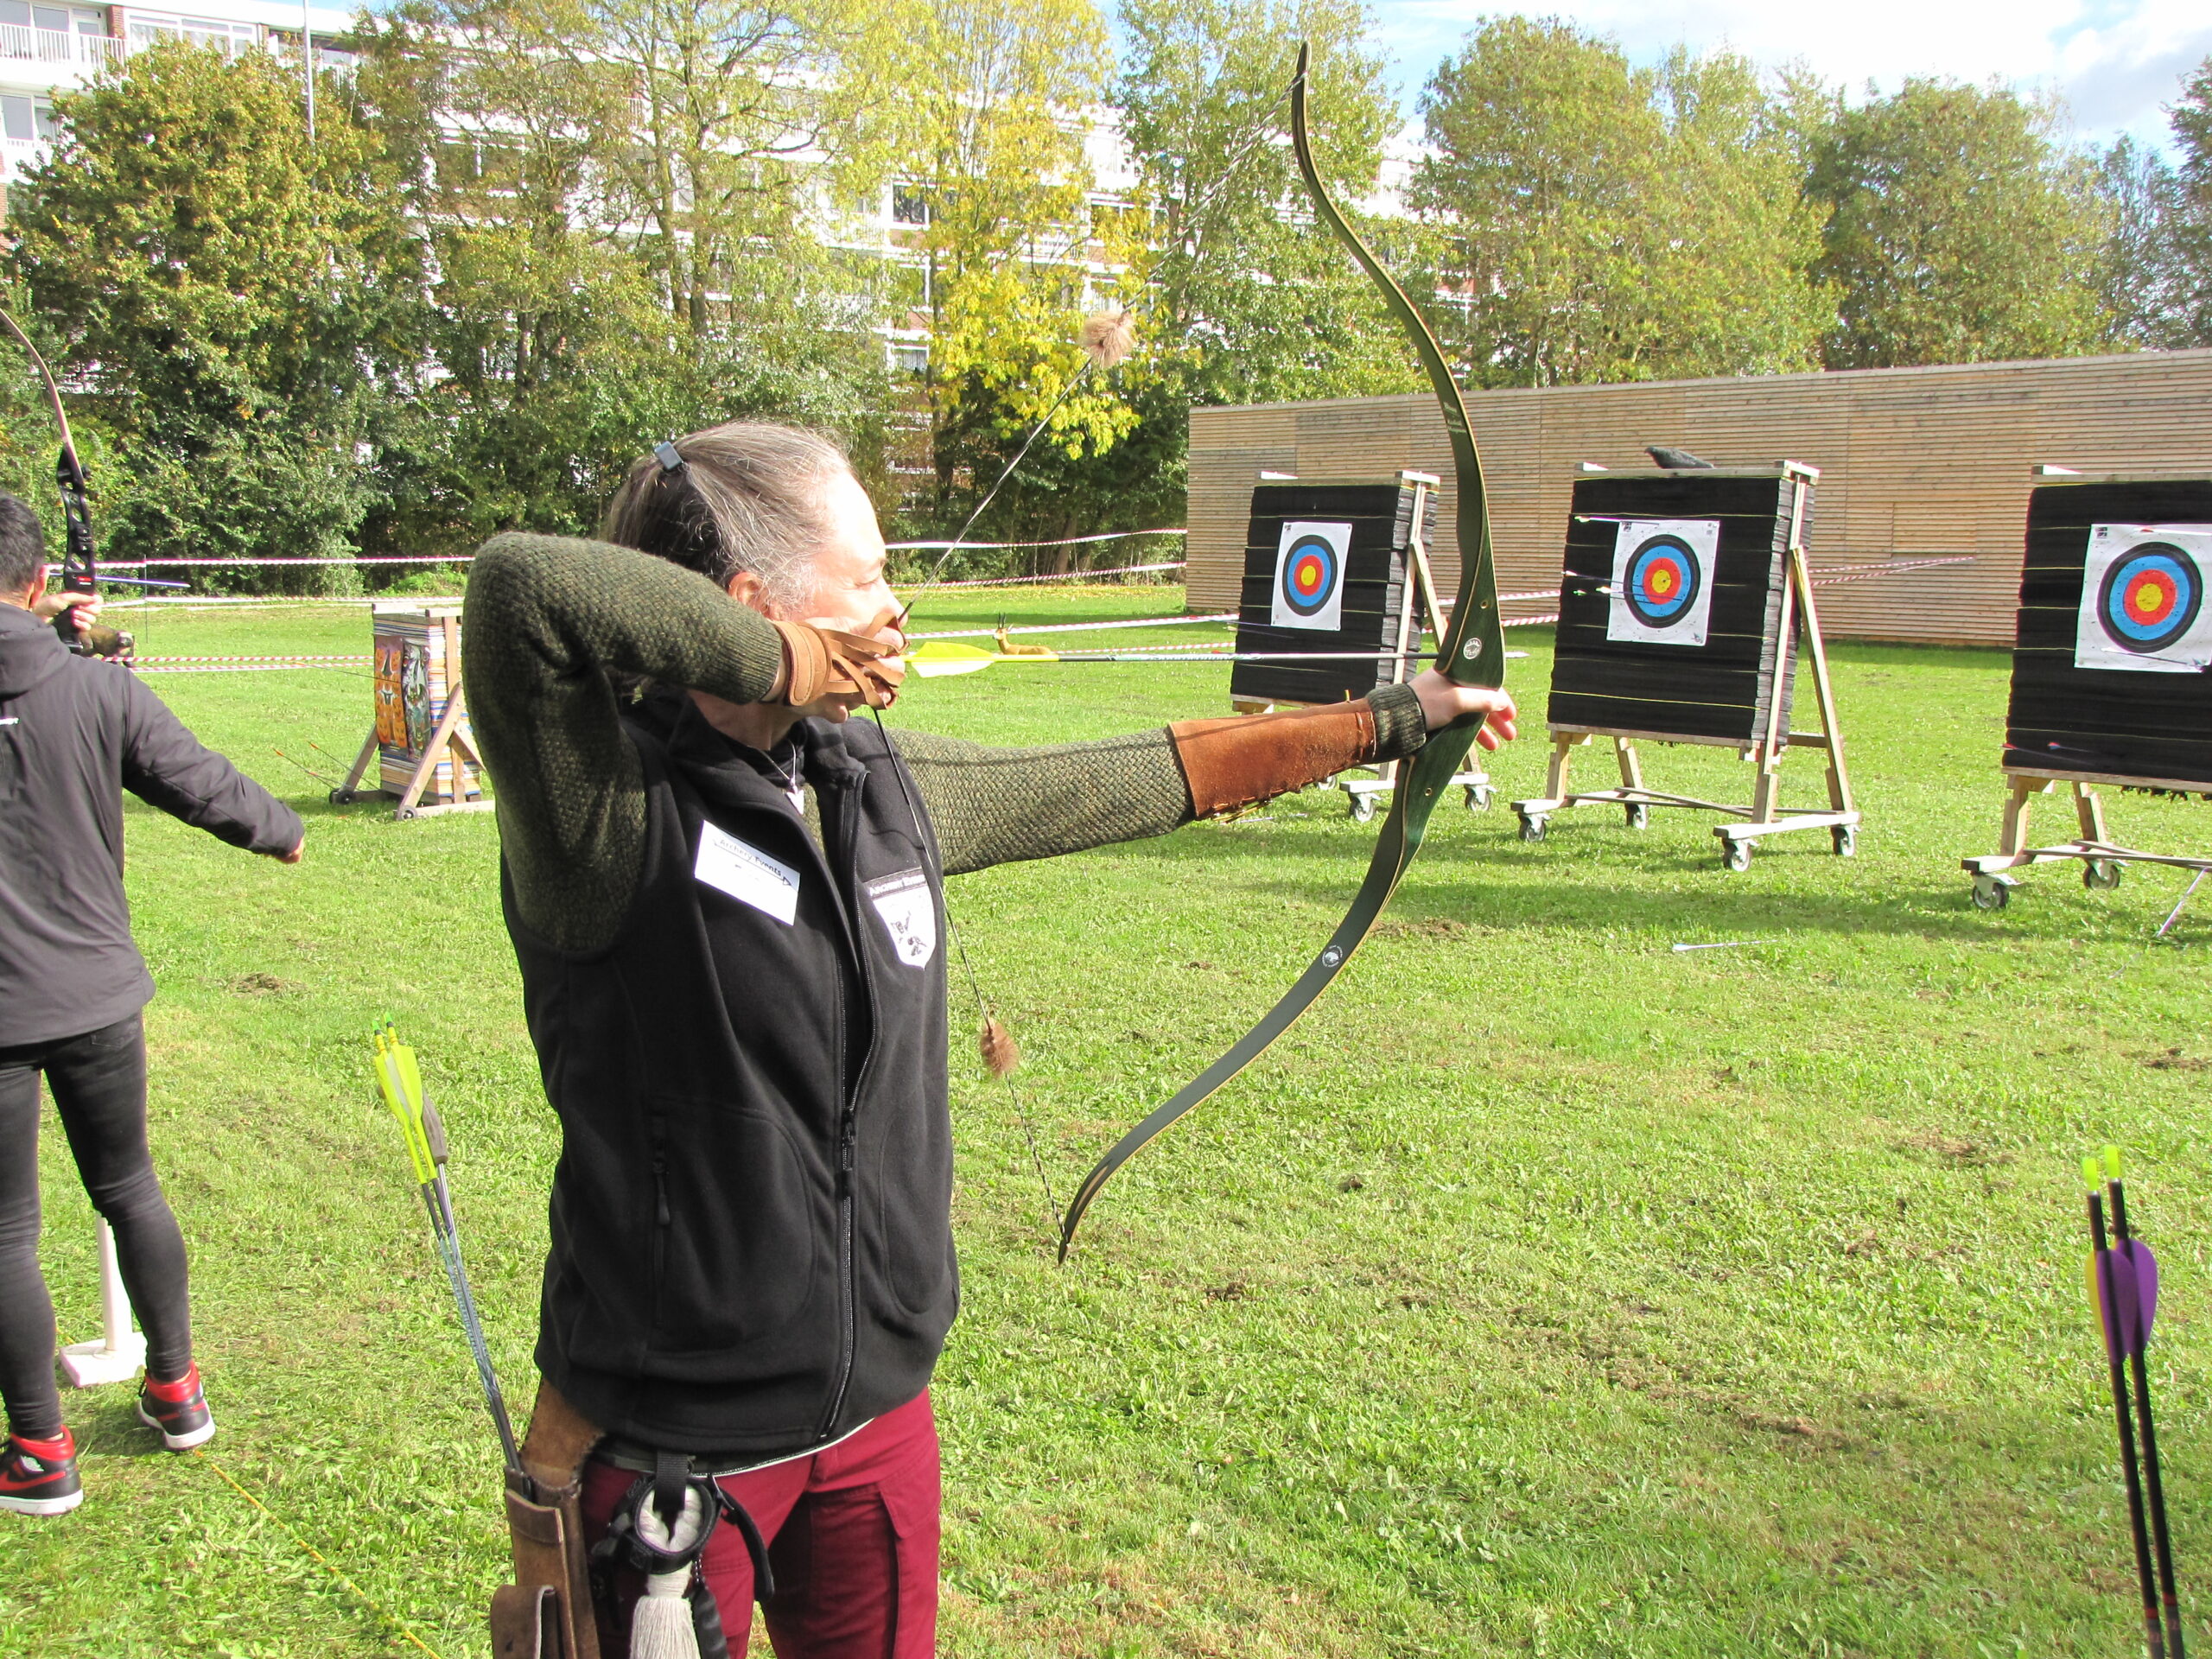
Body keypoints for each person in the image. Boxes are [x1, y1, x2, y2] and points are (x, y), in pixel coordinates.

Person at [461, 422, 1516, 1656]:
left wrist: (1395, 719)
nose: (893, 607)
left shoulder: (876, 782)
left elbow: (1123, 775)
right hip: (673, 1446)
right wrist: (785, 657)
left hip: (876, 1415)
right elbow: (520, 590)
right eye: (861, 583)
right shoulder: (602, 811)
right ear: (755, 607)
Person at [0, 494, 306, 1517]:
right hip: (92, 995)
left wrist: (53, 650)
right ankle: (175, 1392)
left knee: (7, 1234)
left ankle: (43, 1451)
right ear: (39, 583)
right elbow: (198, 779)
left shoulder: (83, 681)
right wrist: (279, 828)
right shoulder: (94, 692)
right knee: (127, 1187)